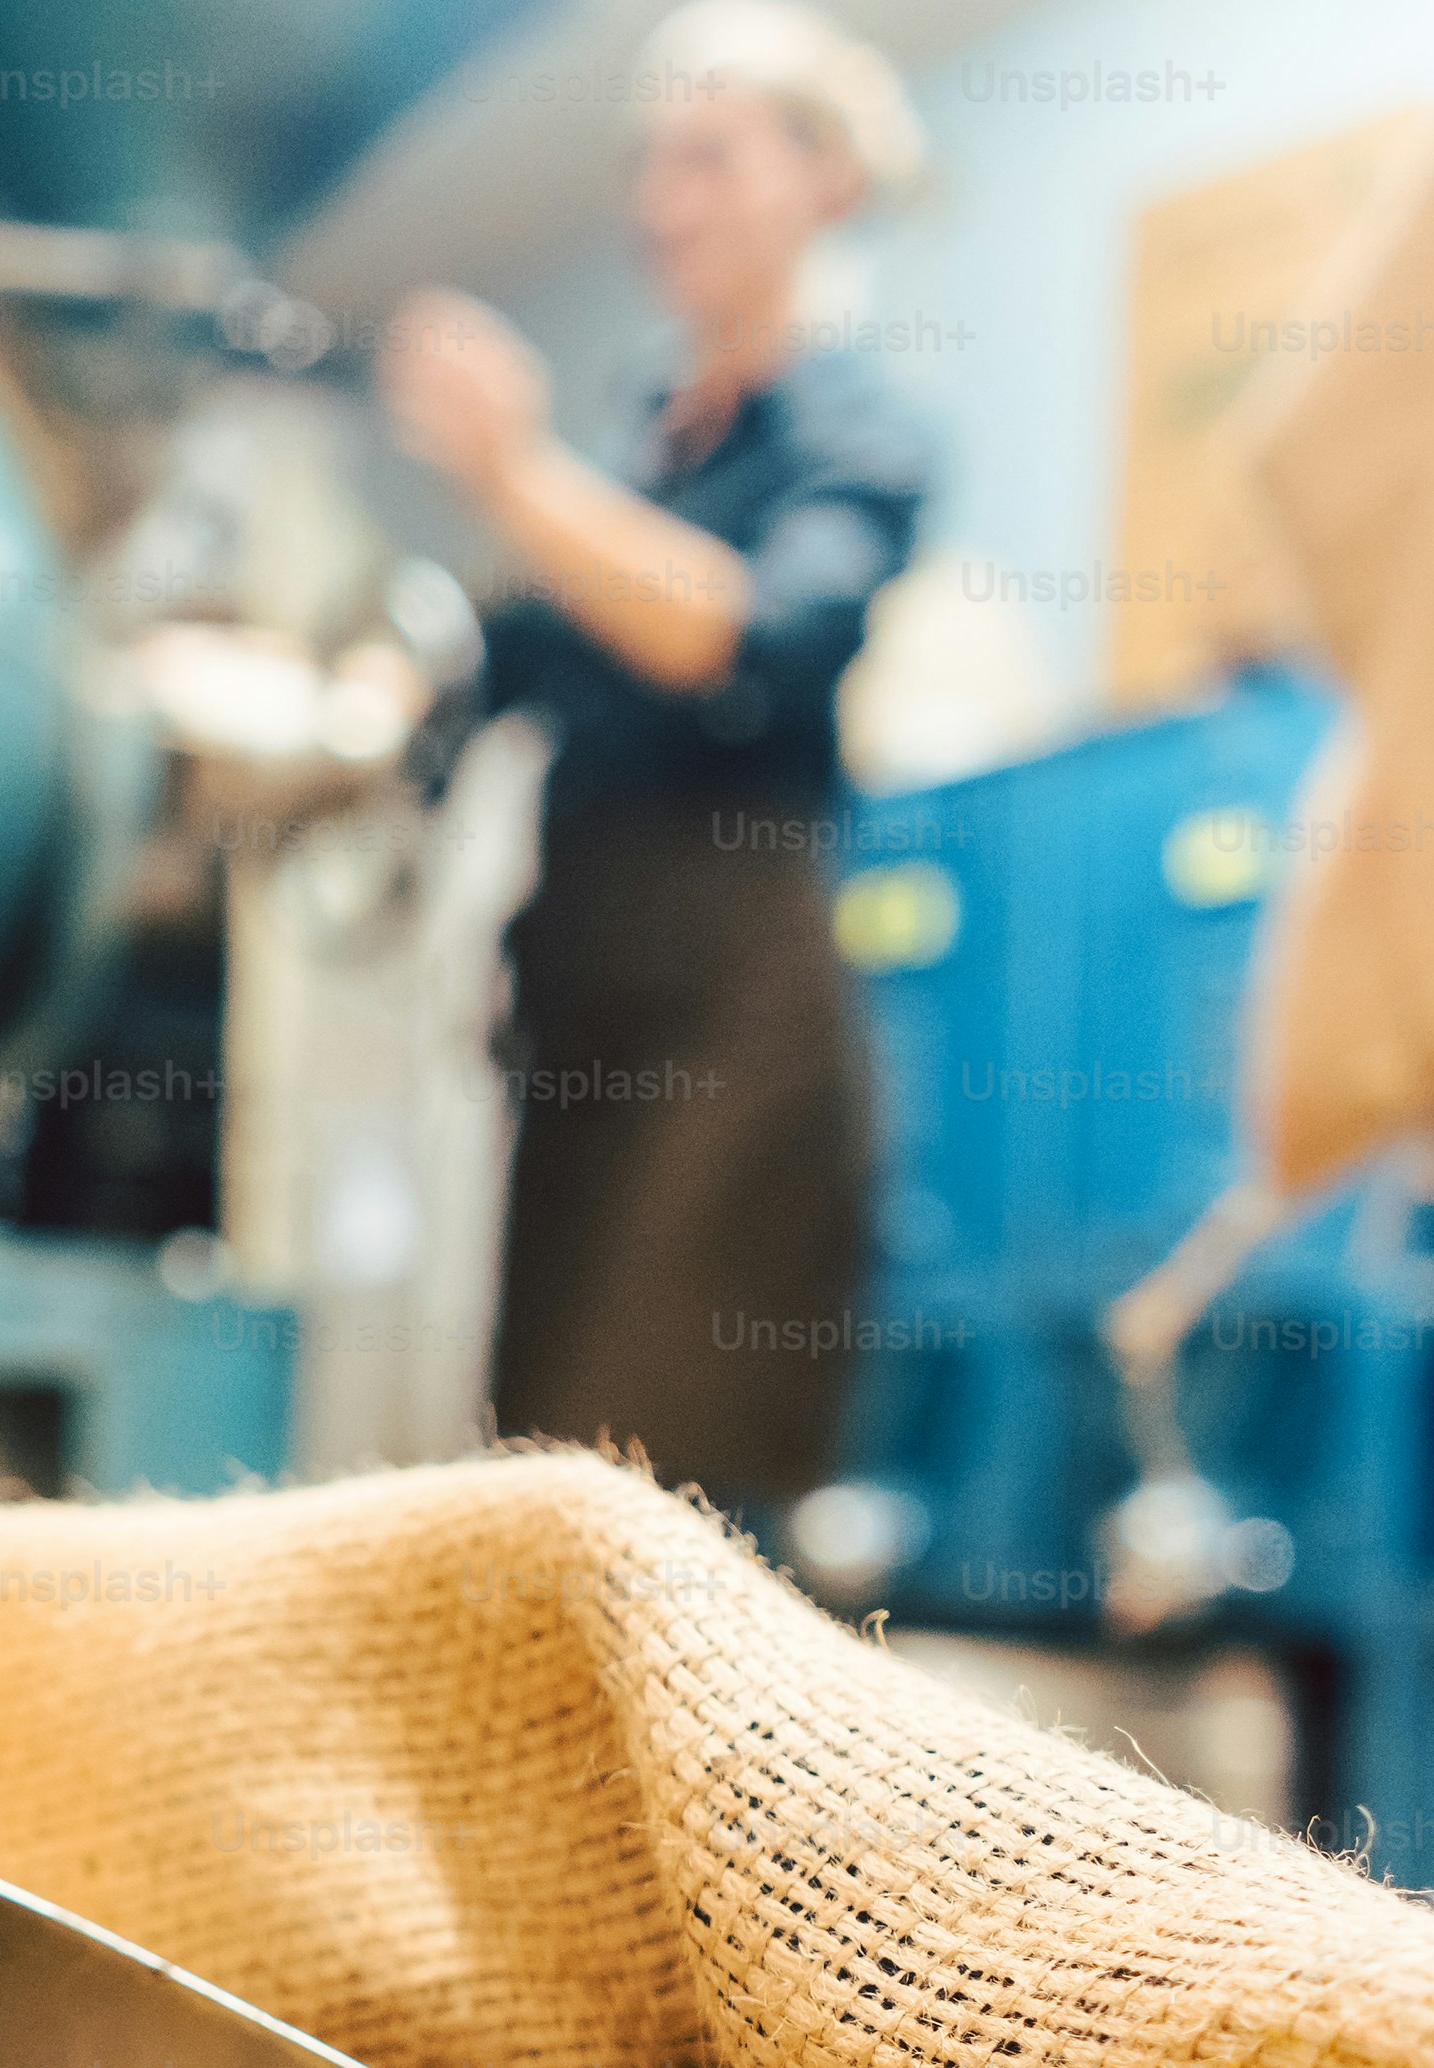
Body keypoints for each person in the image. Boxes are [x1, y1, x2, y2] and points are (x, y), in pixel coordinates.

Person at [379, 0, 938, 1513]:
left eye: (710, 159)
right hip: (585, 1016)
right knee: (536, 1461)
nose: (661, 205)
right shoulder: (642, 445)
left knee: (656, 1482)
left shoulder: (856, 432)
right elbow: (529, 653)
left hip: (729, 1040)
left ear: (822, 180)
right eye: (651, 165)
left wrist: (513, 468)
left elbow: (732, 636)